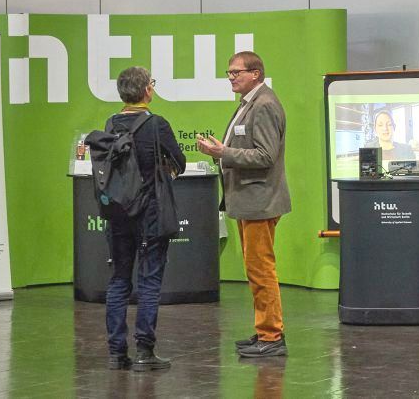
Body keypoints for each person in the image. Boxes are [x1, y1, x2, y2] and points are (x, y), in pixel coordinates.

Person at [196, 51, 291, 358]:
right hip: (251, 199)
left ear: (255, 73)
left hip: (258, 200)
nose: (231, 77)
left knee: (261, 270)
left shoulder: (263, 104)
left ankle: (271, 336)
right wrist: (219, 151)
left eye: (236, 72)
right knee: (256, 269)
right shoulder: (251, 102)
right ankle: (265, 329)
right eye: (229, 73)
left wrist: (223, 153)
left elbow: (265, 156)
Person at [104, 66, 186, 371]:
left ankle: (116, 353)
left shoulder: (110, 123)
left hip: (118, 213)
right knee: (149, 281)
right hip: (151, 211)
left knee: (119, 281)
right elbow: (180, 161)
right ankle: (144, 352)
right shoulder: (157, 124)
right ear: (147, 91)